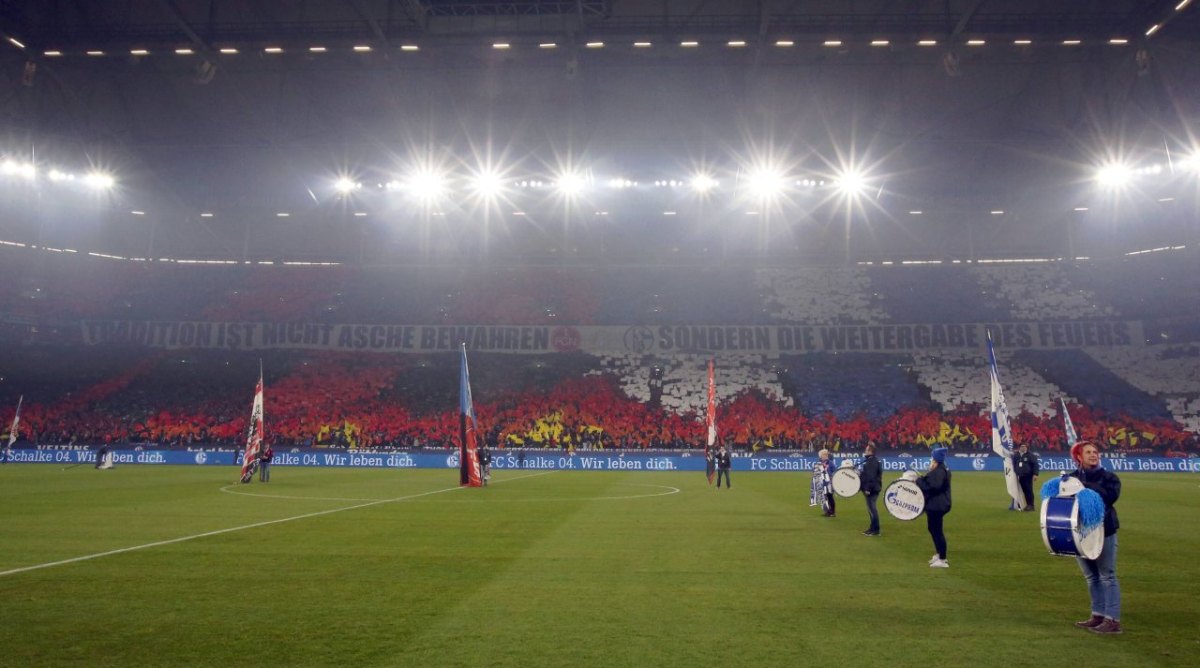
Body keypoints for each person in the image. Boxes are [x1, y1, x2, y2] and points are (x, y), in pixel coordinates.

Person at [1069, 441, 1123, 635]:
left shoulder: (1109, 478)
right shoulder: (1071, 479)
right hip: (1080, 533)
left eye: (1095, 452)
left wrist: (1082, 487)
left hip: (1104, 531)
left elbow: (1109, 497)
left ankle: (1113, 620)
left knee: (1107, 575)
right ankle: (1098, 615)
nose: (1094, 455)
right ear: (1078, 457)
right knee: (1092, 577)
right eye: (1089, 452)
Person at [916, 447, 952, 567]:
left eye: (932, 458)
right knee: (933, 529)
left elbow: (932, 486)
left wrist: (919, 480)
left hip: (937, 505)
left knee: (937, 531)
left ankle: (942, 559)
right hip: (937, 504)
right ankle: (939, 554)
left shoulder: (939, 471)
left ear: (936, 459)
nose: (931, 460)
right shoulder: (941, 469)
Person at [860, 444, 883, 535]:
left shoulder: (871, 462)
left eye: (866, 450)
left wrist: (868, 488)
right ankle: (872, 528)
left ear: (870, 451)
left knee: (872, 509)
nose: (865, 451)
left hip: (872, 489)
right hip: (874, 487)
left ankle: (875, 529)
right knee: (871, 509)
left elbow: (871, 477)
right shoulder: (873, 460)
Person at [1012, 443, 1040, 511]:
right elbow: (1013, 464)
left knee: (1028, 491)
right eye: (1022, 446)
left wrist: (1035, 474)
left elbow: (1035, 465)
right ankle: (1021, 504)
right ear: (1019, 447)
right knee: (1020, 491)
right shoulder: (1016, 455)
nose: (1024, 448)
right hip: (1019, 476)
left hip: (1028, 476)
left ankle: (1031, 505)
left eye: (1025, 446)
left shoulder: (1030, 455)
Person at [816, 449, 835, 516]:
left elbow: (834, 472)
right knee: (825, 497)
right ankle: (828, 511)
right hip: (823, 483)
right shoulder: (820, 463)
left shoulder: (830, 463)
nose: (820, 457)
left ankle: (832, 512)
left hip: (829, 483)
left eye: (821, 455)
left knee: (830, 497)